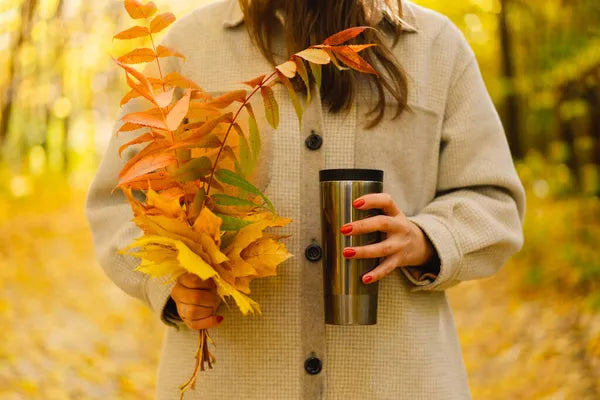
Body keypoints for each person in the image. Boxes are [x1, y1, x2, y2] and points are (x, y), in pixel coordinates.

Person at [86, 0, 526, 398]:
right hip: (232, 383)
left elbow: (494, 199)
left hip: (398, 381)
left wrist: (426, 239)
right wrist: (170, 283)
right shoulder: (189, 45)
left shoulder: (436, 46)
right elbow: (119, 200)